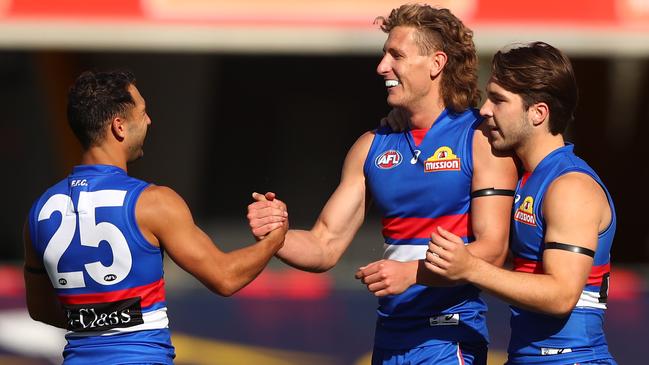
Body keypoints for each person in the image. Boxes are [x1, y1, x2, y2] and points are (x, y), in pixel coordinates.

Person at [247, 4, 517, 364]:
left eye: (396, 55)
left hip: (447, 335)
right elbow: (324, 244)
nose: (381, 67)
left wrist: (411, 273)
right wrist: (276, 234)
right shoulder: (371, 146)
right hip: (389, 338)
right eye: (383, 54)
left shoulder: (480, 139)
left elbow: (493, 251)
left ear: (436, 64)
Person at [23, 70, 287, 364]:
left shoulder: (40, 211)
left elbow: (40, 309)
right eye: (143, 112)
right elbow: (225, 277)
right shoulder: (153, 203)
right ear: (119, 126)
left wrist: (98, 319)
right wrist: (274, 239)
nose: (149, 121)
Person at [425, 42, 617, 364]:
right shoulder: (528, 175)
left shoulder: (570, 187)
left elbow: (561, 295)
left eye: (499, 100)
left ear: (538, 113)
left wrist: (471, 267)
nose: (485, 109)